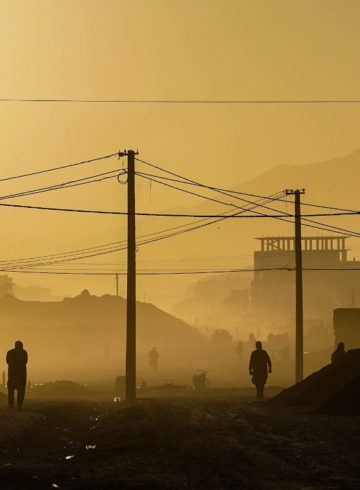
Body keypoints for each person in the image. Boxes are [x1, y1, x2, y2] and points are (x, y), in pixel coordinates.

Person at [6, 341, 28, 410]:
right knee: (21, 391)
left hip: (12, 374)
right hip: (21, 375)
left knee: (11, 390)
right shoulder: (24, 352)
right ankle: (19, 405)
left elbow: (8, 361)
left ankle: (11, 405)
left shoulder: (10, 352)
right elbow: (25, 361)